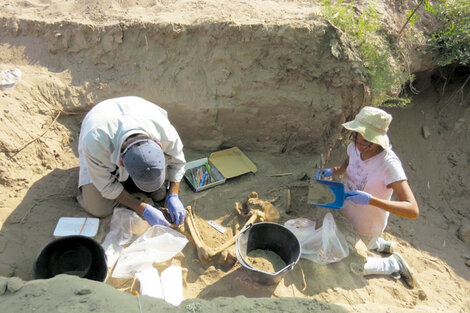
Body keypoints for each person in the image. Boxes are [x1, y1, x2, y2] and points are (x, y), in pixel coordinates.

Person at [318, 106, 419, 288]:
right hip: (346, 213)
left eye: (366, 142)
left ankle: (392, 263)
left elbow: (412, 209)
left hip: (368, 224)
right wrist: (334, 171)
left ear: (378, 141)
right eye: (357, 137)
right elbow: (348, 163)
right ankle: (379, 245)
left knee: (347, 266)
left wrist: (370, 200)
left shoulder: (388, 164)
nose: (360, 145)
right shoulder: (354, 147)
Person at [76, 96, 187, 227]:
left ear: (159, 145)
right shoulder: (95, 144)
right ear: (121, 163)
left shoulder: (165, 132)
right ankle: (116, 185)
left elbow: (178, 162)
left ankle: (132, 183)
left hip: (137, 110)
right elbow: (106, 186)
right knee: (99, 208)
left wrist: (173, 195)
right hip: (101, 122)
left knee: (160, 194)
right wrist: (142, 209)